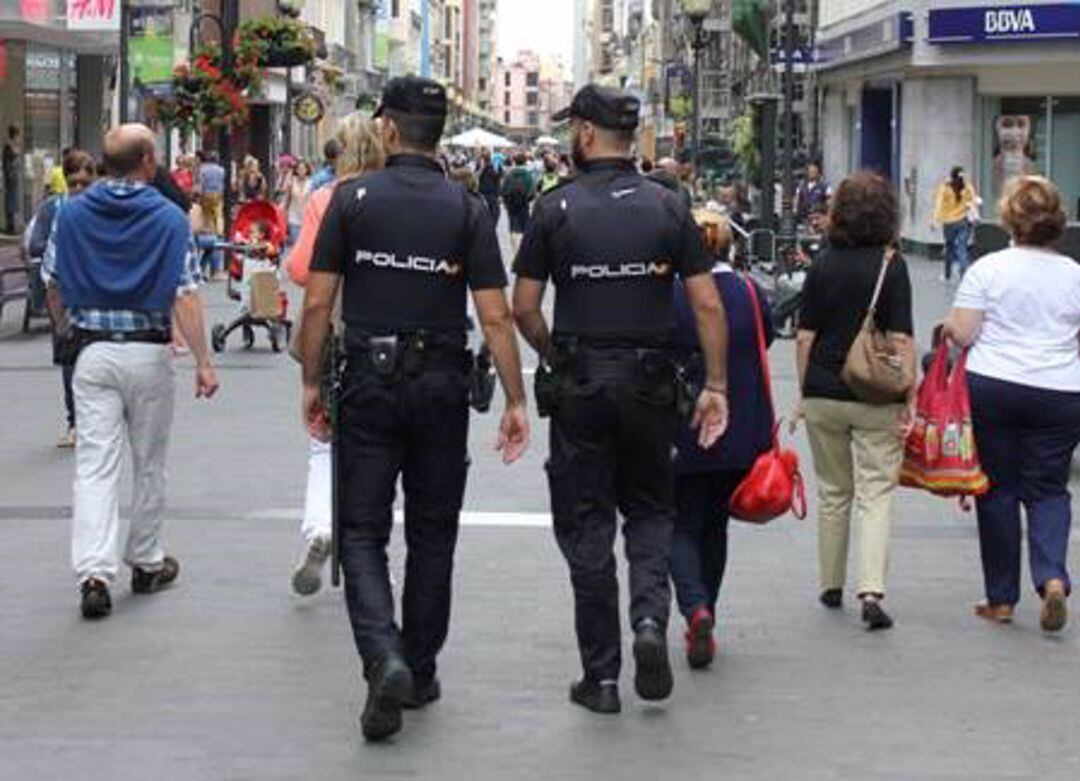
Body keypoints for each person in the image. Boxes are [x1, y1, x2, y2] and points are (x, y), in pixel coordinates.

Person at [300, 76, 530, 743]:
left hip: (368, 380)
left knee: (363, 530)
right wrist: (516, 398)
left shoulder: (350, 199)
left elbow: (317, 302)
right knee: (433, 531)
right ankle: (420, 664)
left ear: (390, 130)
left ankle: (384, 655)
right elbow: (492, 313)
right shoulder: (467, 209)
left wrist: (311, 381)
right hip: (441, 381)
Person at [512, 84, 730, 715]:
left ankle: (601, 677)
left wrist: (555, 355)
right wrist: (715, 386)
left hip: (583, 379)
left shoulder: (555, 210)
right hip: (651, 381)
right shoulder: (667, 207)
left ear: (584, 134)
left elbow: (524, 307)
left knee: (586, 523)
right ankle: (649, 624)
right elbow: (708, 301)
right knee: (650, 512)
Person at [44, 124, 219, 620]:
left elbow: (53, 283)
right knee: (148, 462)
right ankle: (145, 559)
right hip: (147, 351)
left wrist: (65, 332)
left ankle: (94, 573)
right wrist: (204, 363)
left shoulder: (71, 213)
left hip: (92, 353)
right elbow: (184, 293)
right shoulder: (168, 218)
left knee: (95, 466)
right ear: (146, 160)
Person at [943, 176, 1080, 632]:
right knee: (1048, 489)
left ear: (1009, 219)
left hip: (994, 386)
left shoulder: (988, 268)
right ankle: (1053, 576)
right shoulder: (1075, 274)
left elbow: (963, 334)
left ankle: (1001, 598)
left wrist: (948, 330)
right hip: (1060, 391)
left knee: (997, 488)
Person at [794, 172, 915, 632]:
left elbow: (805, 337)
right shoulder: (892, 264)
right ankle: (870, 590)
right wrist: (910, 395)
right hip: (875, 395)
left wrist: (804, 393)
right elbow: (902, 338)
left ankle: (830, 583)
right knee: (876, 491)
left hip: (824, 392)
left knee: (833, 491)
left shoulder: (822, 263)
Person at [285, 114, 386, 597]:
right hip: (384, 329)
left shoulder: (325, 199)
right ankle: (367, 546)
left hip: (331, 330)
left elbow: (303, 271)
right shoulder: (394, 195)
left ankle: (321, 528)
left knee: (323, 438)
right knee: (377, 447)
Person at [669, 210, 774, 670]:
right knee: (715, 525)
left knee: (679, 523)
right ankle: (707, 605)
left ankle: (694, 606)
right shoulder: (751, 292)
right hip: (740, 426)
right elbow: (764, 341)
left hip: (684, 424)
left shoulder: (672, 293)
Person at [28, 149, 97, 448]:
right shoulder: (53, 208)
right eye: (73, 183)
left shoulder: (101, 209)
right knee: (71, 362)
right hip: (65, 294)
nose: (80, 189)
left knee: (97, 361)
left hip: (97, 296)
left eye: (85, 182)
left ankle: (96, 421)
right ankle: (74, 422)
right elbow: (35, 246)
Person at [933, 166, 980, 282]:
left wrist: (935, 220)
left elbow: (938, 205)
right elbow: (974, 200)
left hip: (949, 223)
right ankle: (965, 275)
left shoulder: (944, 188)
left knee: (949, 247)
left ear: (951, 175)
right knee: (962, 248)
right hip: (964, 221)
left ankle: (947, 275)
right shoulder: (967, 186)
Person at [500, 152, 535, 254]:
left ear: (514, 161)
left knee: (513, 229)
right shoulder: (528, 175)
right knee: (525, 229)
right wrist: (526, 200)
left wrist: (506, 203)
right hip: (524, 205)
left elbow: (502, 191)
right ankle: (524, 252)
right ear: (525, 161)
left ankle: (515, 253)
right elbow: (532, 192)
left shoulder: (509, 174)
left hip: (511, 206)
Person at [282, 159, 311, 249]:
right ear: (296, 170)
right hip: (293, 218)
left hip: (307, 218)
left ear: (307, 170)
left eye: (303, 169)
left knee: (306, 246)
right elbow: (287, 200)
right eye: (299, 169)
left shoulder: (311, 183)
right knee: (296, 245)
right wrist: (283, 214)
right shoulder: (291, 183)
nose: (301, 171)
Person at [198, 150, 226, 236]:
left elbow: (201, 183)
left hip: (206, 193)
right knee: (218, 214)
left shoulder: (203, 169)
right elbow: (222, 182)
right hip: (218, 193)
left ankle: (209, 231)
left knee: (207, 214)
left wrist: (200, 194)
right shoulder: (221, 170)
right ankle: (220, 231)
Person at [3, 125, 21, 234]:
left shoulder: (11, 146)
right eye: (18, 135)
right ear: (14, 135)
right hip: (11, 179)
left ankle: (12, 225)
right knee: (11, 202)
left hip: (13, 178)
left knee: (13, 202)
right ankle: (11, 226)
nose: (19, 138)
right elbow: (8, 164)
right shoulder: (9, 147)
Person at [477, 151, 502, 223]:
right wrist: (481, 169)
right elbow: (475, 177)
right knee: (490, 212)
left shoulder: (495, 166)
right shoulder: (480, 166)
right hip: (483, 193)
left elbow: (499, 178)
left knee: (495, 212)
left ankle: (491, 227)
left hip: (491, 193)